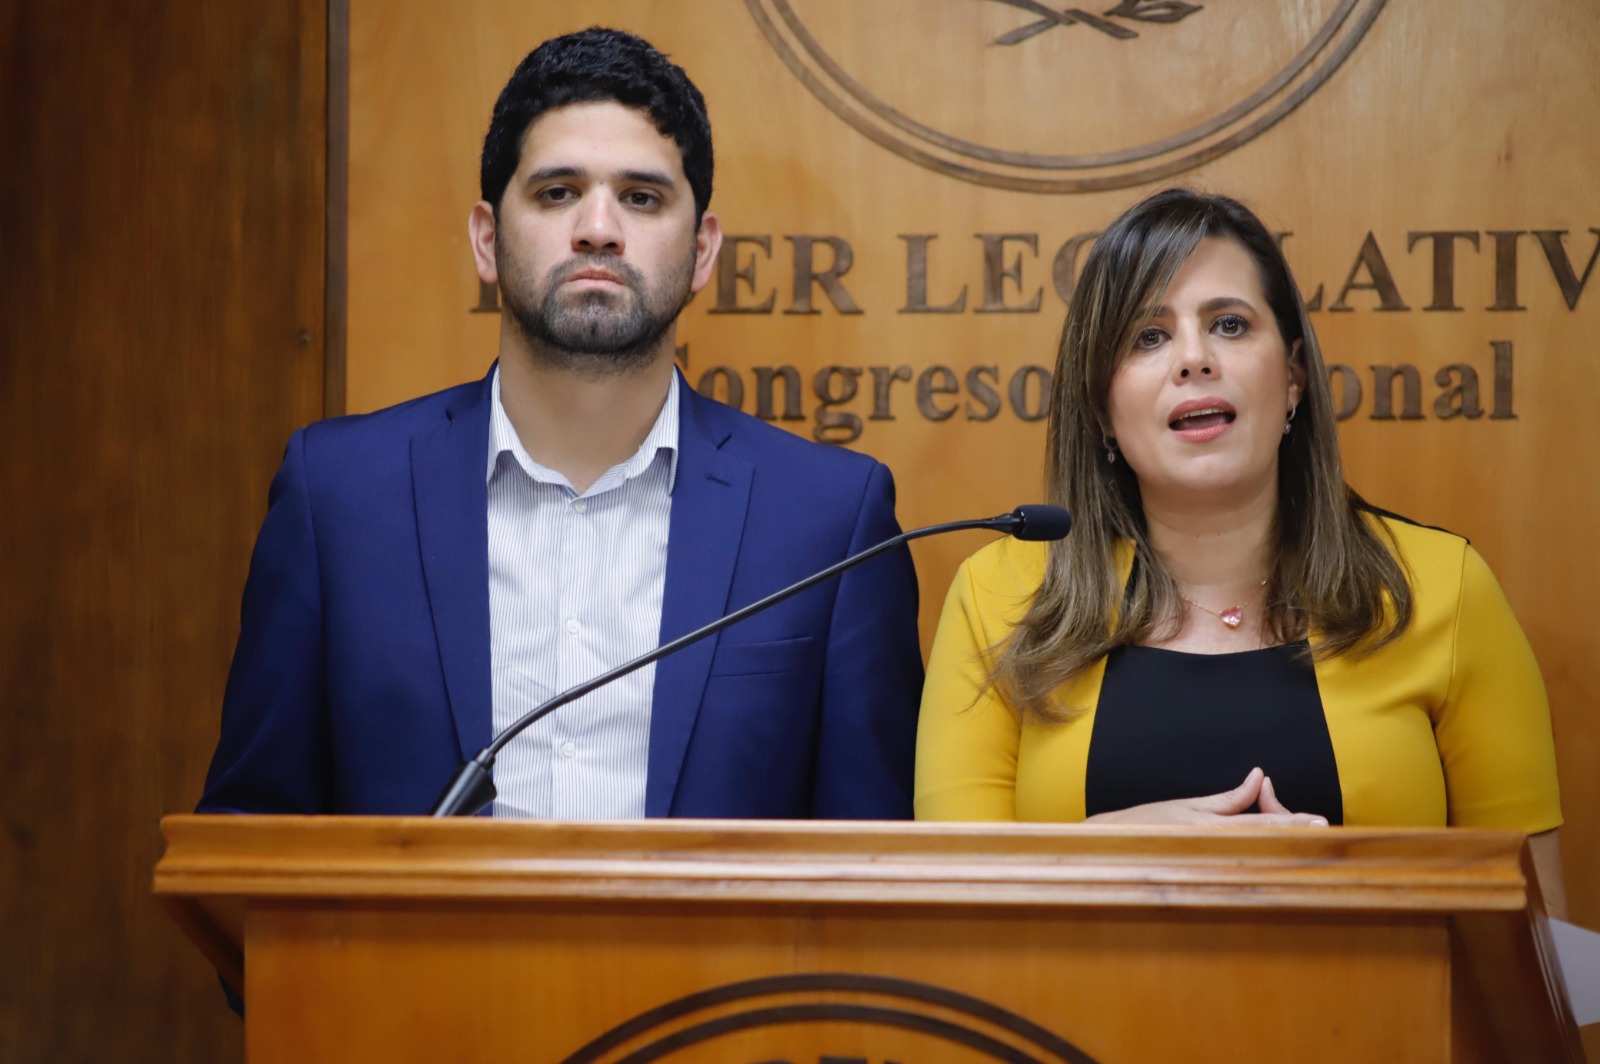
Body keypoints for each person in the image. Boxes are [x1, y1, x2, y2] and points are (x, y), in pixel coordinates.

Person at [199, 28, 922, 821]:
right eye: (557, 193)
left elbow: (872, 864)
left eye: (642, 197)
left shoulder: (830, 520)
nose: (599, 229)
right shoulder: (336, 497)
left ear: (704, 250)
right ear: (486, 239)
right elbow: (253, 838)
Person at [914, 189, 1566, 914]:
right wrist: (1109, 855)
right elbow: (951, 922)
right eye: (1147, 337)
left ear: (1292, 377)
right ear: (1100, 404)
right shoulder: (1000, 597)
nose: (1193, 359)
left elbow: (1533, 950)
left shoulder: (1442, 589)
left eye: (1228, 324)